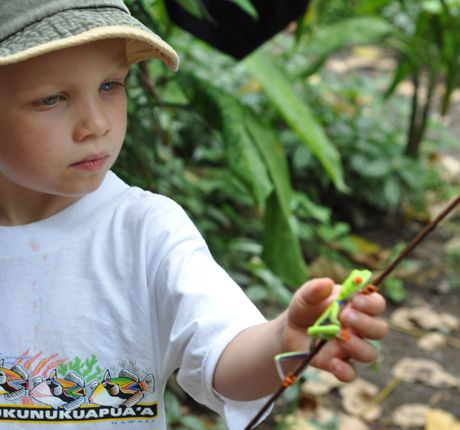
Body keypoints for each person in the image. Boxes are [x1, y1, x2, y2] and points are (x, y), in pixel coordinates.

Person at [0, 1, 387, 429]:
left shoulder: (145, 232)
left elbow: (223, 354)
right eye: (52, 98)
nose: (96, 124)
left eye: (111, 85)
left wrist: (282, 339)